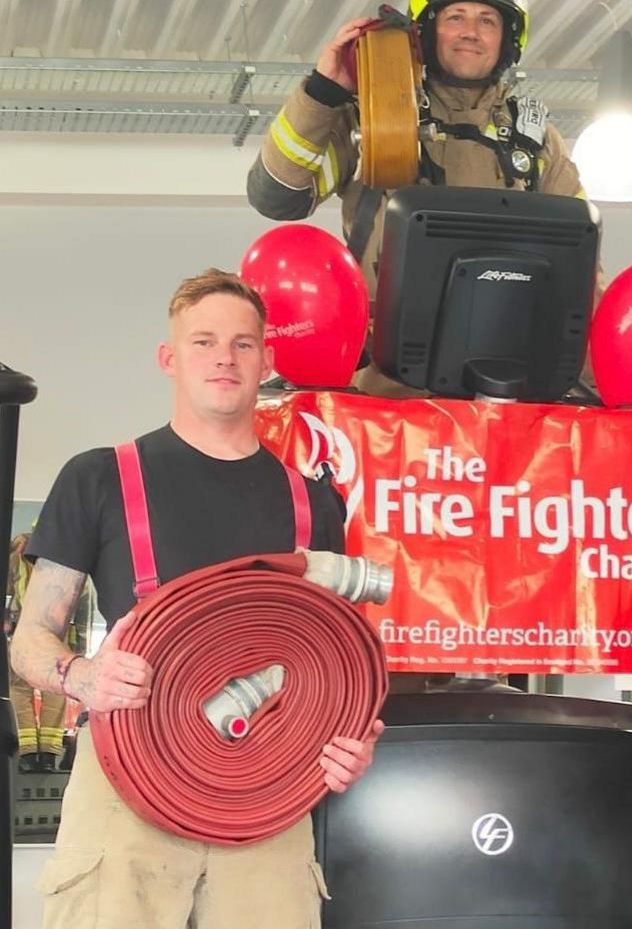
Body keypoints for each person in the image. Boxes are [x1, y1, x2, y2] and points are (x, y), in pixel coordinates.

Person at [10, 268, 383, 929]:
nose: (224, 357)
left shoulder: (314, 504)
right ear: (169, 358)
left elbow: (334, 660)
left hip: (268, 795)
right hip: (127, 782)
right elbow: (30, 639)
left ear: (266, 360)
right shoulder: (99, 477)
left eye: (243, 344)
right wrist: (85, 675)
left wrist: (351, 735)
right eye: (204, 340)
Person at [247, 0, 586, 397]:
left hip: (506, 392)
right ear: (426, 31)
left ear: (508, 40)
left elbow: (582, 268)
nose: (471, 31)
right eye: (455, 17)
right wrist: (324, 92)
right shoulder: (373, 118)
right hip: (385, 396)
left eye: (488, 20)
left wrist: (586, 387)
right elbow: (279, 193)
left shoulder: (537, 138)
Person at [6, 528, 90, 773]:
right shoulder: (71, 561)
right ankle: (47, 756)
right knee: (55, 690)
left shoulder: (15, 560)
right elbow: (84, 607)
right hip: (59, 640)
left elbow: (8, 596)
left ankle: (29, 754)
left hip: (23, 638)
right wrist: (81, 647)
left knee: (21, 690)